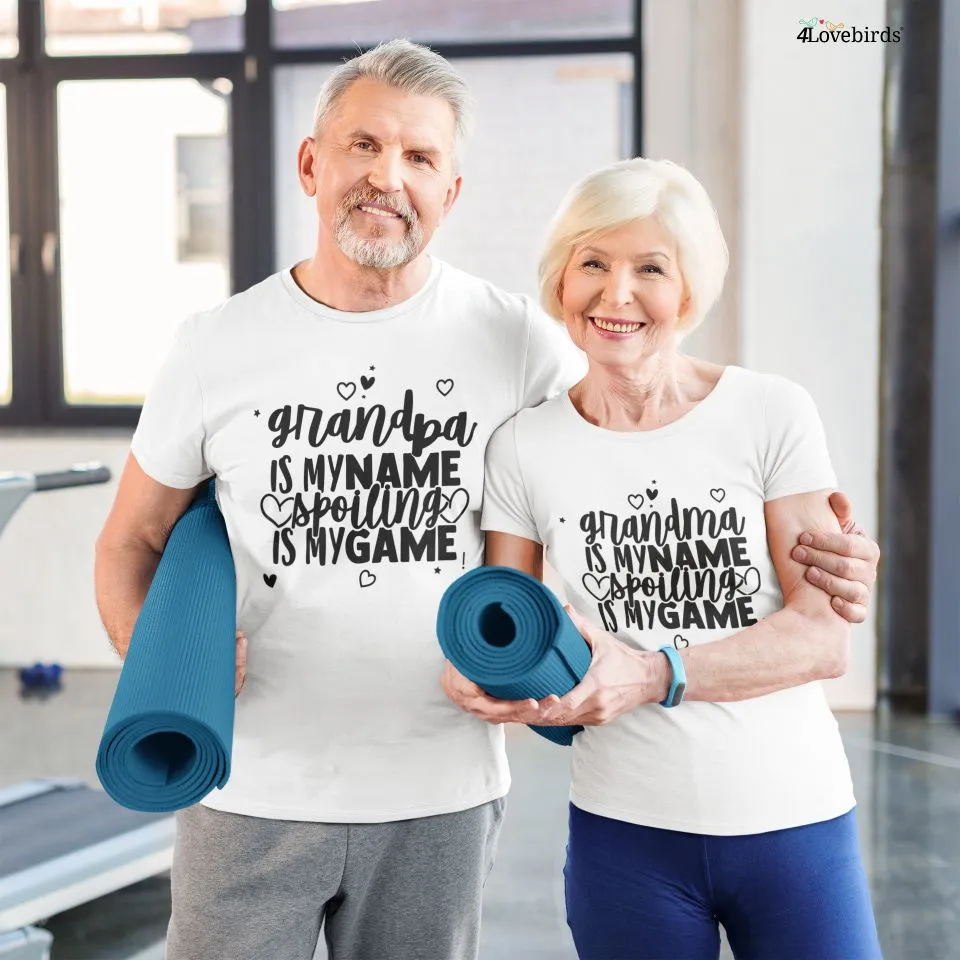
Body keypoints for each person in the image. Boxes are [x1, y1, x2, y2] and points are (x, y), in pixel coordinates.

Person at [93, 40, 880, 960]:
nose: (389, 177)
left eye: (421, 157)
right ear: (312, 163)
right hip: (252, 793)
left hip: (442, 797)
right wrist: (159, 666)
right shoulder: (211, 346)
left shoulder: (514, 341)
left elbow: (630, 437)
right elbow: (128, 542)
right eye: (363, 145)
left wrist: (829, 558)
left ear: (451, 192)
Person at [442, 156, 882, 959]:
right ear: (561, 283)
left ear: (687, 288)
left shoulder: (771, 413)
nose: (617, 295)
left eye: (651, 267)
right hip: (626, 838)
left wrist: (652, 672)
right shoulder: (523, 447)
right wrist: (485, 681)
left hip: (795, 821)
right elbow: (507, 625)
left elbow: (823, 638)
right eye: (593, 264)